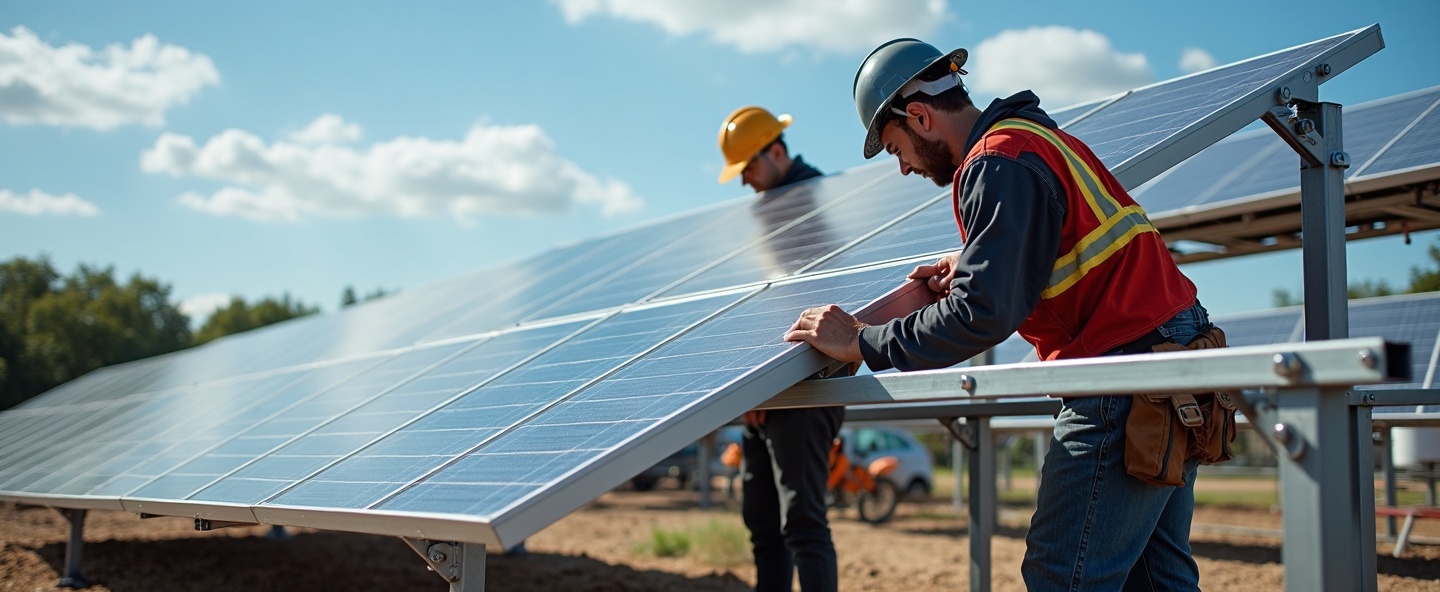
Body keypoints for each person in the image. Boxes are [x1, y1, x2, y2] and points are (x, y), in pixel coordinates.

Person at [783, 39, 1216, 591]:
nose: (904, 169)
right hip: (1173, 360)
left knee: (1061, 576)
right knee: (1156, 580)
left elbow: (981, 313)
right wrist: (977, 259)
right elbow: (1064, 245)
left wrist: (862, 342)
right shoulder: (1035, 139)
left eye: (897, 150)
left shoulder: (995, 163)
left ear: (920, 116)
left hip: (1122, 374)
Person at [718, 105, 843, 592]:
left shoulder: (813, 205)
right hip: (765, 389)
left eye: (748, 167)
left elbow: (812, 303)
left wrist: (776, 381)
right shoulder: (772, 211)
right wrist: (753, 388)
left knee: (803, 524)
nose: (746, 182)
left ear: (775, 151)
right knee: (764, 525)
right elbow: (763, 305)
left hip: (806, 383)